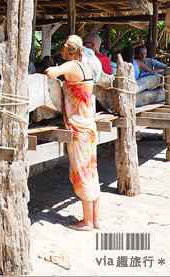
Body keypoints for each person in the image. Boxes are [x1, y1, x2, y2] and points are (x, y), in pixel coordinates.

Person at [45, 35, 101, 231]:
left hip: (78, 128)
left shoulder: (71, 66)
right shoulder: (85, 66)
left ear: (68, 49)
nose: (61, 50)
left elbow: (51, 73)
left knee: (83, 175)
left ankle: (85, 222)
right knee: (92, 172)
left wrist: (48, 66)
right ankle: (94, 220)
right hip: (89, 125)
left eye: (62, 48)